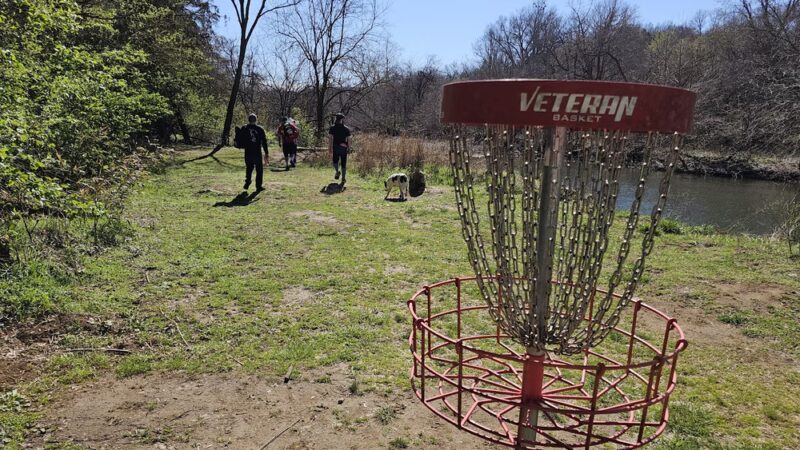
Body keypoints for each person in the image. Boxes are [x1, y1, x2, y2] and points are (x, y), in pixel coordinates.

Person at [241, 113, 269, 191]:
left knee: (249, 168)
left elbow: (241, 139)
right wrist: (266, 152)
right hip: (257, 152)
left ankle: (248, 180)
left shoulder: (244, 128)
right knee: (259, 169)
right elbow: (264, 142)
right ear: (256, 119)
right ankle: (258, 186)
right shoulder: (260, 129)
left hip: (248, 151)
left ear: (248, 120)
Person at [328, 112, 351, 185]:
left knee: (335, 161)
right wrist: (349, 148)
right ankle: (343, 178)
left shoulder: (332, 128)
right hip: (344, 147)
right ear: (342, 119)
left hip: (336, 147)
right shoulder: (346, 129)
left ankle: (337, 171)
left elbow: (330, 139)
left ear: (336, 119)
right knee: (343, 163)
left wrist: (330, 148)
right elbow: (349, 139)